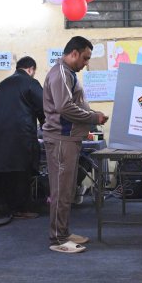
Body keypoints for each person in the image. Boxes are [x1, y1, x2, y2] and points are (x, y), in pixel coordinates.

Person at [43, 36, 108, 253]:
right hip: (61, 139)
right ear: (73, 53)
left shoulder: (68, 73)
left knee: (67, 190)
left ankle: (63, 232)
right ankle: (57, 239)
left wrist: (90, 117)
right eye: (85, 58)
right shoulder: (61, 73)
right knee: (61, 191)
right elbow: (65, 107)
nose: (86, 63)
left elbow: (70, 105)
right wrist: (92, 117)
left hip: (68, 139)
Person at [0, 56, 45, 219]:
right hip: (21, 135)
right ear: (31, 69)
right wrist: (47, 125)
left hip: (0, 135)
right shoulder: (31, 83)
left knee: (0, 170)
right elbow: (44, 108)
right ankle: (21, 208)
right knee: (21, 171)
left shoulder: (1, 85)